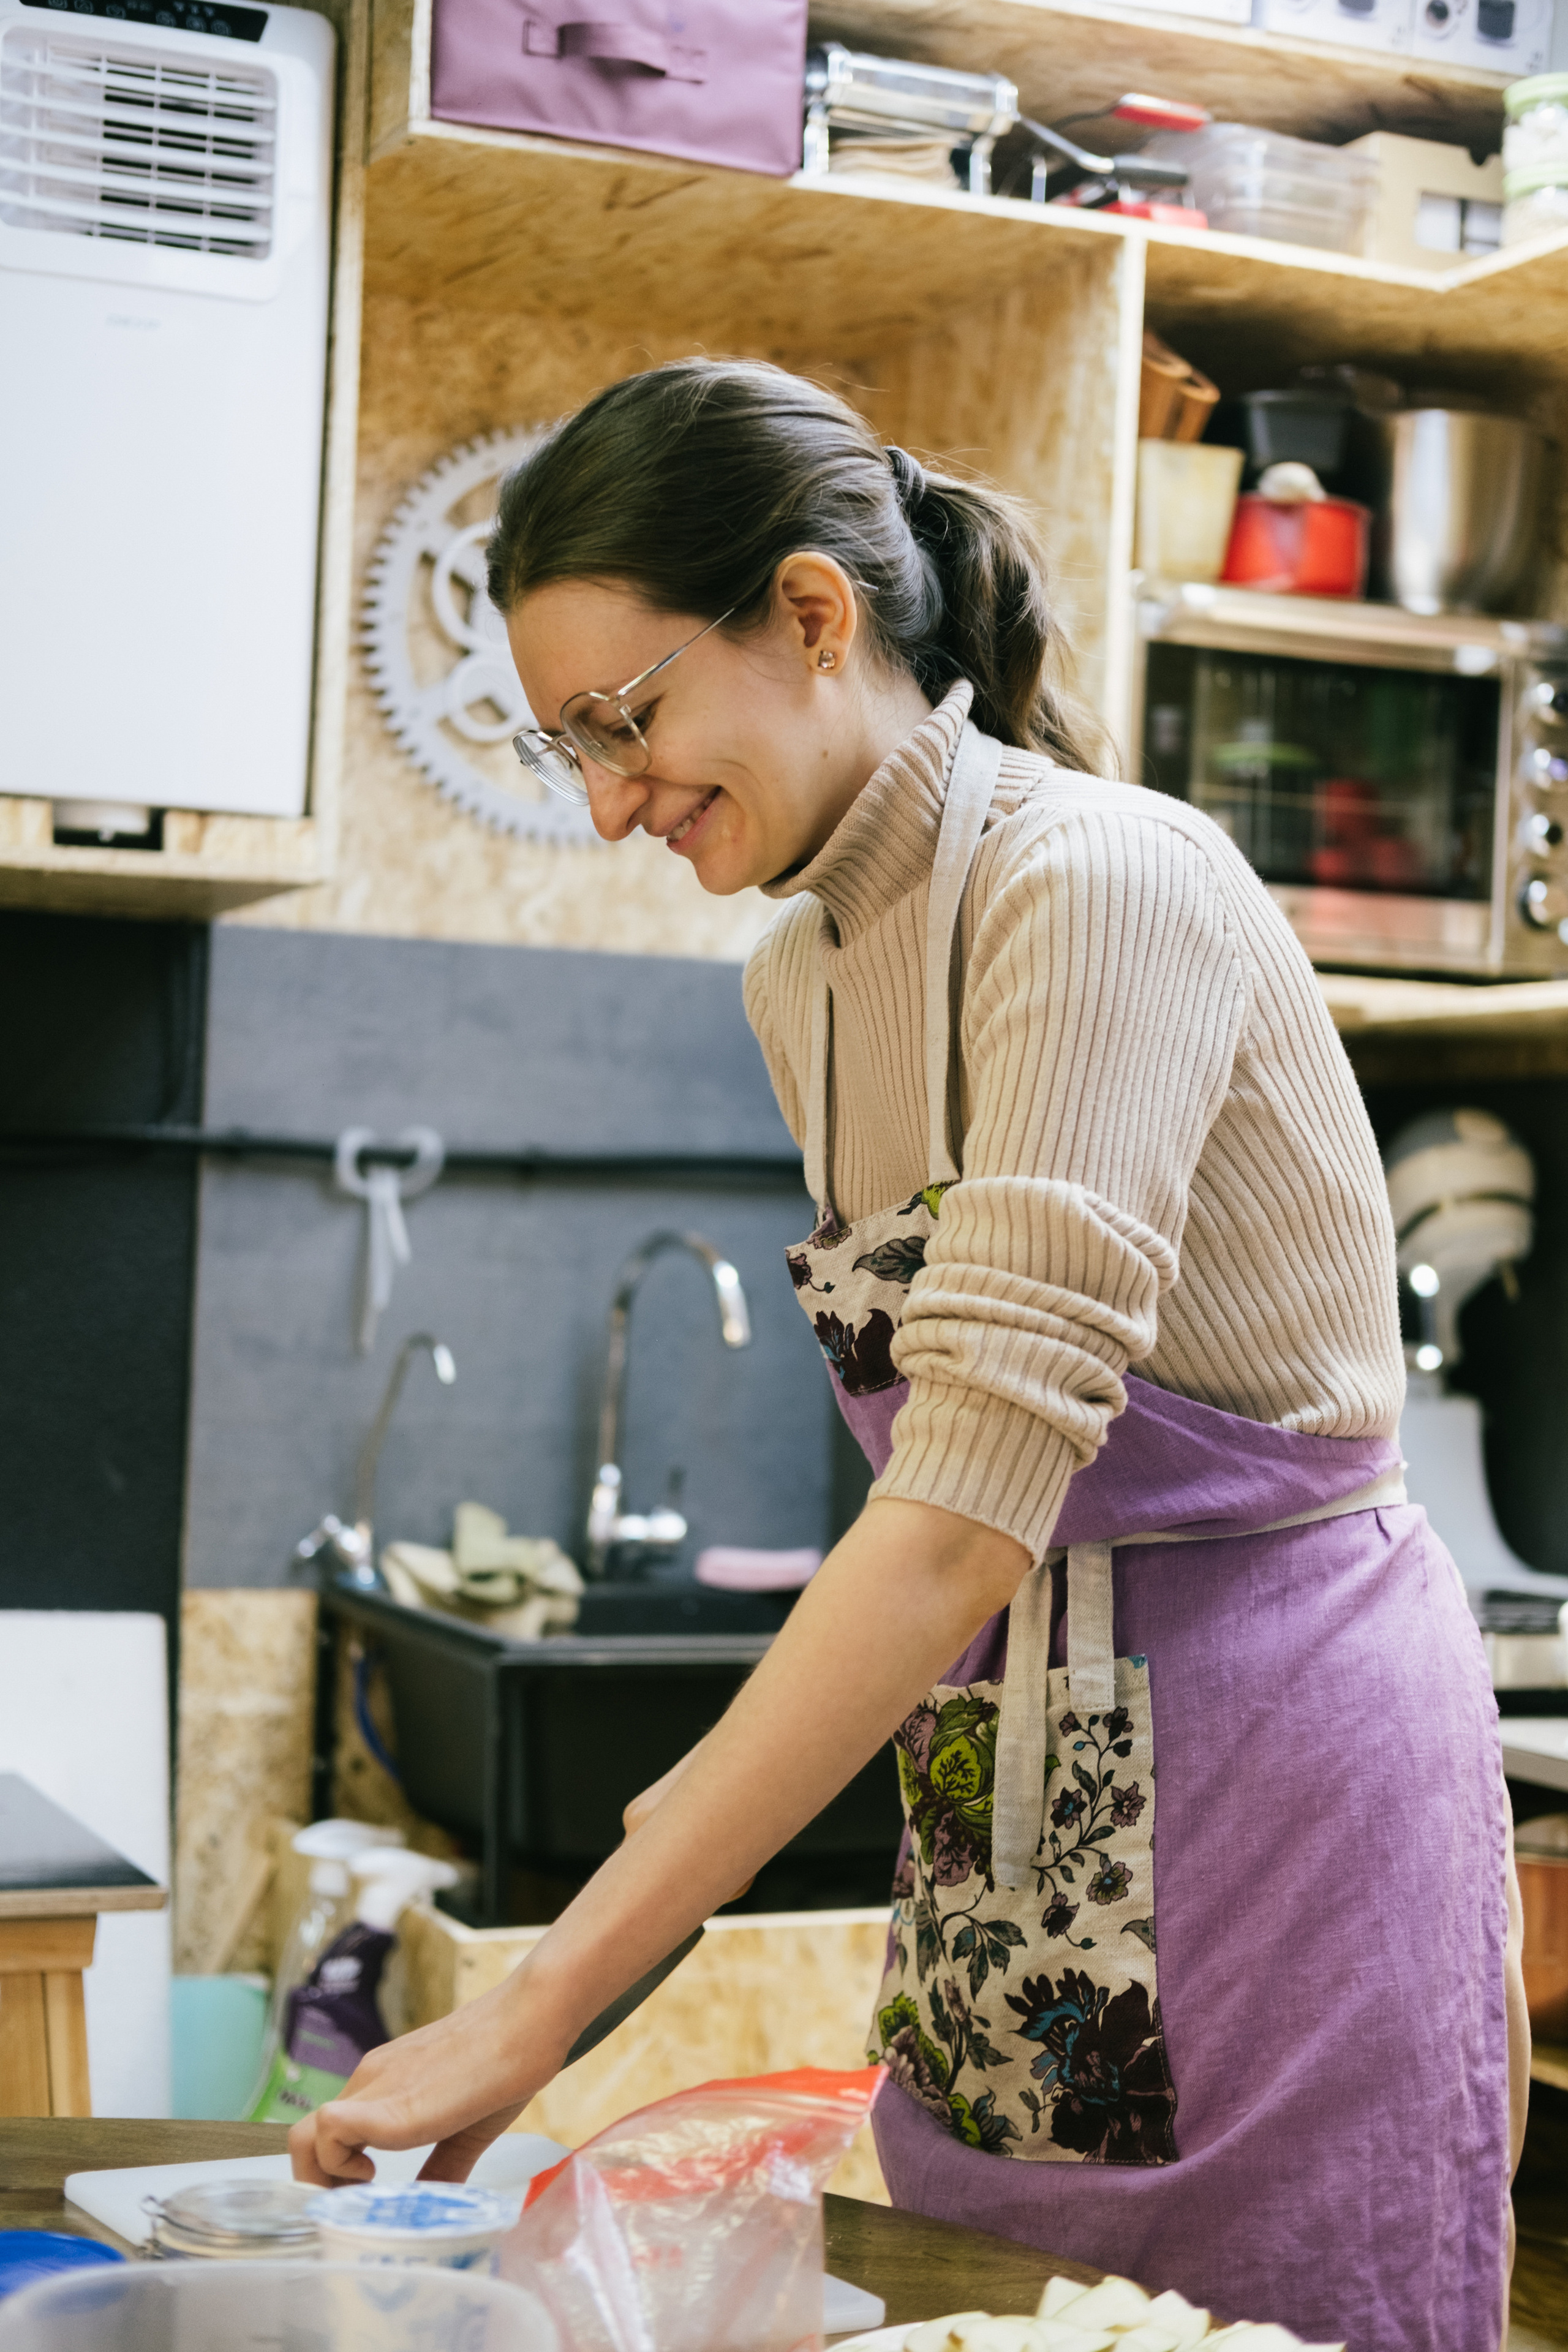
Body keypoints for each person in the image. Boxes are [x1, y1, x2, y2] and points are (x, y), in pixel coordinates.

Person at [290, 359, 1526, 2350]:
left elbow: (956, 1521)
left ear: (809, 614)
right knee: (1000, 2314)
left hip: (1280, 1783)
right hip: (1013, 1803)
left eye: (627, 722)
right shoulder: (804, 975)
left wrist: (547, 1998)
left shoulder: (1099, 881)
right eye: (568, 750)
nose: (608, 804)